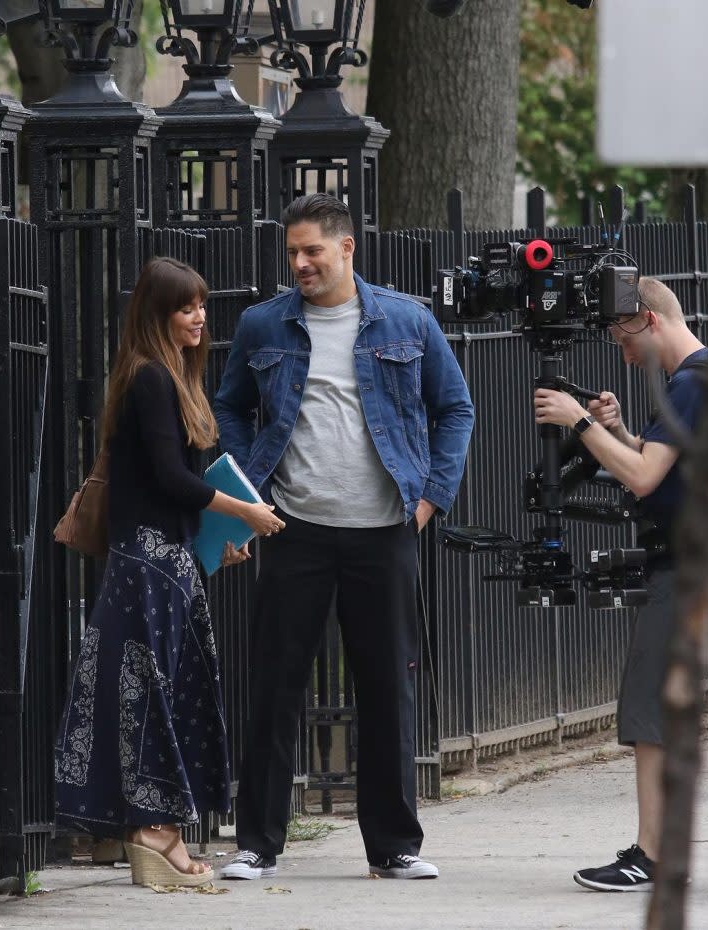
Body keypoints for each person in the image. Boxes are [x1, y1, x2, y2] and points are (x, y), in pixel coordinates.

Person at [214, 193, 474, 881]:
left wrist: (428, 501)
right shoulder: (262, 325)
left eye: (312, 252)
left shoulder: (406, 319)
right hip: (295, 528)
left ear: (347, 248)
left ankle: (394, 846)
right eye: (293, 252)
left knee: (388, 687)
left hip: (384, 528)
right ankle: (257, 844)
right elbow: (231, 408)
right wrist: (250, 494)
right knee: (275, 686)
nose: (300, 263)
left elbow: (456, 409)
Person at [54, 257, 284, 888]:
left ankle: (146, 831)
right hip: (149, 567)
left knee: (157, 695)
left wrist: (219, 541)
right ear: (158, 315)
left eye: (202, 306)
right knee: (158, 697)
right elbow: (170, 480)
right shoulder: (150, 378)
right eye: (186, 308)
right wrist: (248, 513)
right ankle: (156, 836)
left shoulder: (168, 376)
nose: (200, 318)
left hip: (164, 562)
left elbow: (171, 490)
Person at [533, 276, 708, 892]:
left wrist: (580, 422)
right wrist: (616, 430)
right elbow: (660, 463)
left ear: (651, 321)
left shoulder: (690, 384)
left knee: (650, 710)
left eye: (623, 336)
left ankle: (653, 856)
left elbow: (640, 477)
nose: (623, 352)